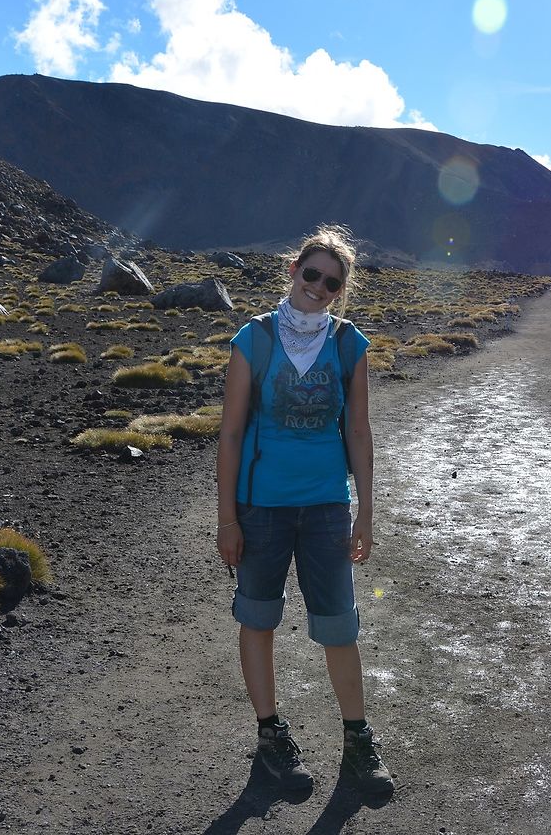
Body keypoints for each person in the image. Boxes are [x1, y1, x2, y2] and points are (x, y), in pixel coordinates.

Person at [216, 224, 393, 796]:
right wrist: (227, 518)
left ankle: (357, 742)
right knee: (258, 617)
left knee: (339, 625)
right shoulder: (254, 339)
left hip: (324, 507)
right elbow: (232, 433)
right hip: (260, 506)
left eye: (331, 282)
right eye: (311, 274)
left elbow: (359, 431)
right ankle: (271, 737)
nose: (318, 287)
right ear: (293, 270)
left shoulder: (348, 345)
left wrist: (365, 511)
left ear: (340, 291)